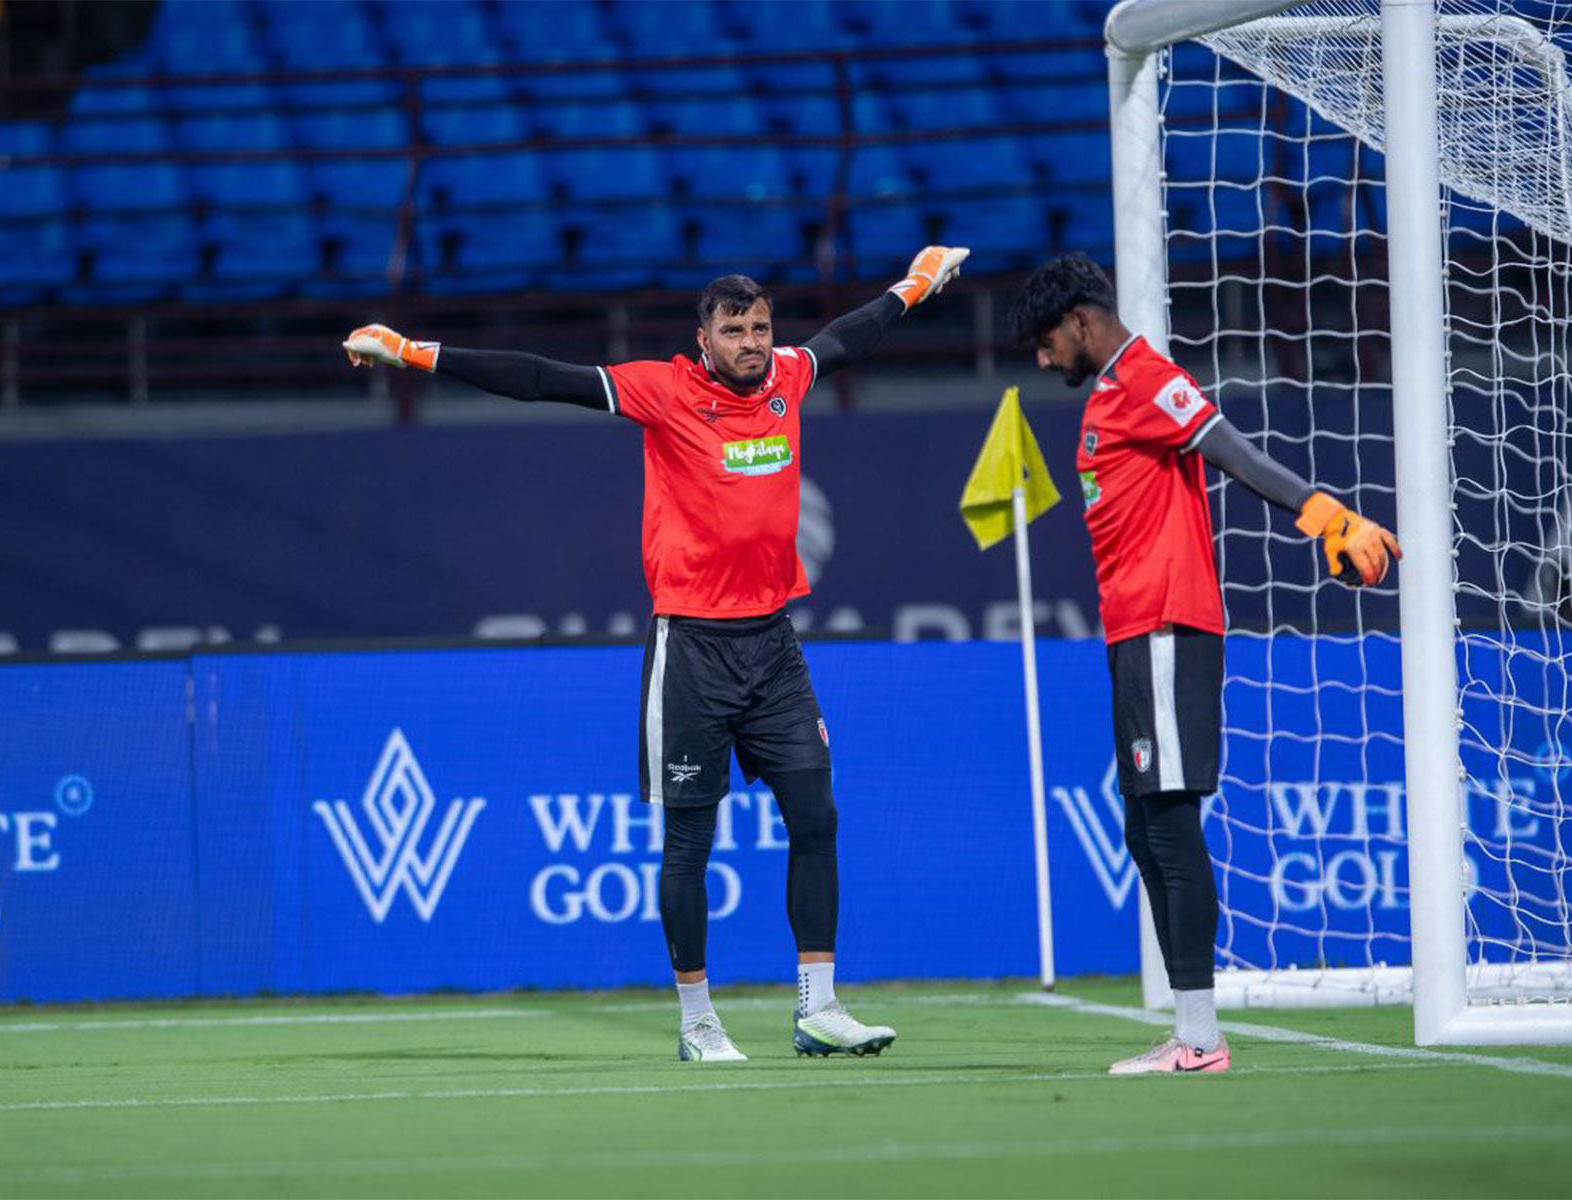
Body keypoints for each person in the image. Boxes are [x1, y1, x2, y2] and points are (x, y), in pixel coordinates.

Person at [343, 245, 970, 1063]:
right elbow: (541, 377)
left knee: (816, 818)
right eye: (735, 328)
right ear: (703, 339)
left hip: (774, 644)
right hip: (693, 647)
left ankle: (819, 1007)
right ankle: (699, 1021)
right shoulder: (663, 390)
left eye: (762, 327)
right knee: (689, 842)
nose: (753, 341)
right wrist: (413, 351)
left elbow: (852, 335)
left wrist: (916, 283)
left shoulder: (786, 379)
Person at [1009, 253, 1401, 1075]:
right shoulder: (1113, 393)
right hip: (1132, 633)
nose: (1044, 361)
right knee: (1144, 830)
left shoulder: (1147, 378)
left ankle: (1199, 1038)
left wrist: (1327, 517)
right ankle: (1191, 1031)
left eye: (1047, 343)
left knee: (1169, 825)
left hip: (1168, 626)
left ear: (1082, 321)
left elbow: (1235, 452)